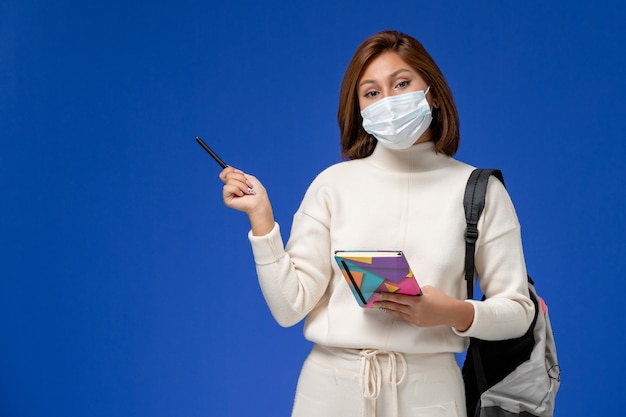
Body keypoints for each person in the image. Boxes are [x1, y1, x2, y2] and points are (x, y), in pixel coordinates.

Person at [219, 30, 535, 417]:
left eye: (401, 84)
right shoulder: (333, 184)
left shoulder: (479, 191)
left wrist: (453, 311)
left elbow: (519, 312)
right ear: (361, 110)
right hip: (330, 393)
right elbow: (290, 307)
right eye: (372, 93)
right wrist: (262, 220)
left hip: (430, 394)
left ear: (431, 93)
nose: (389, 100)